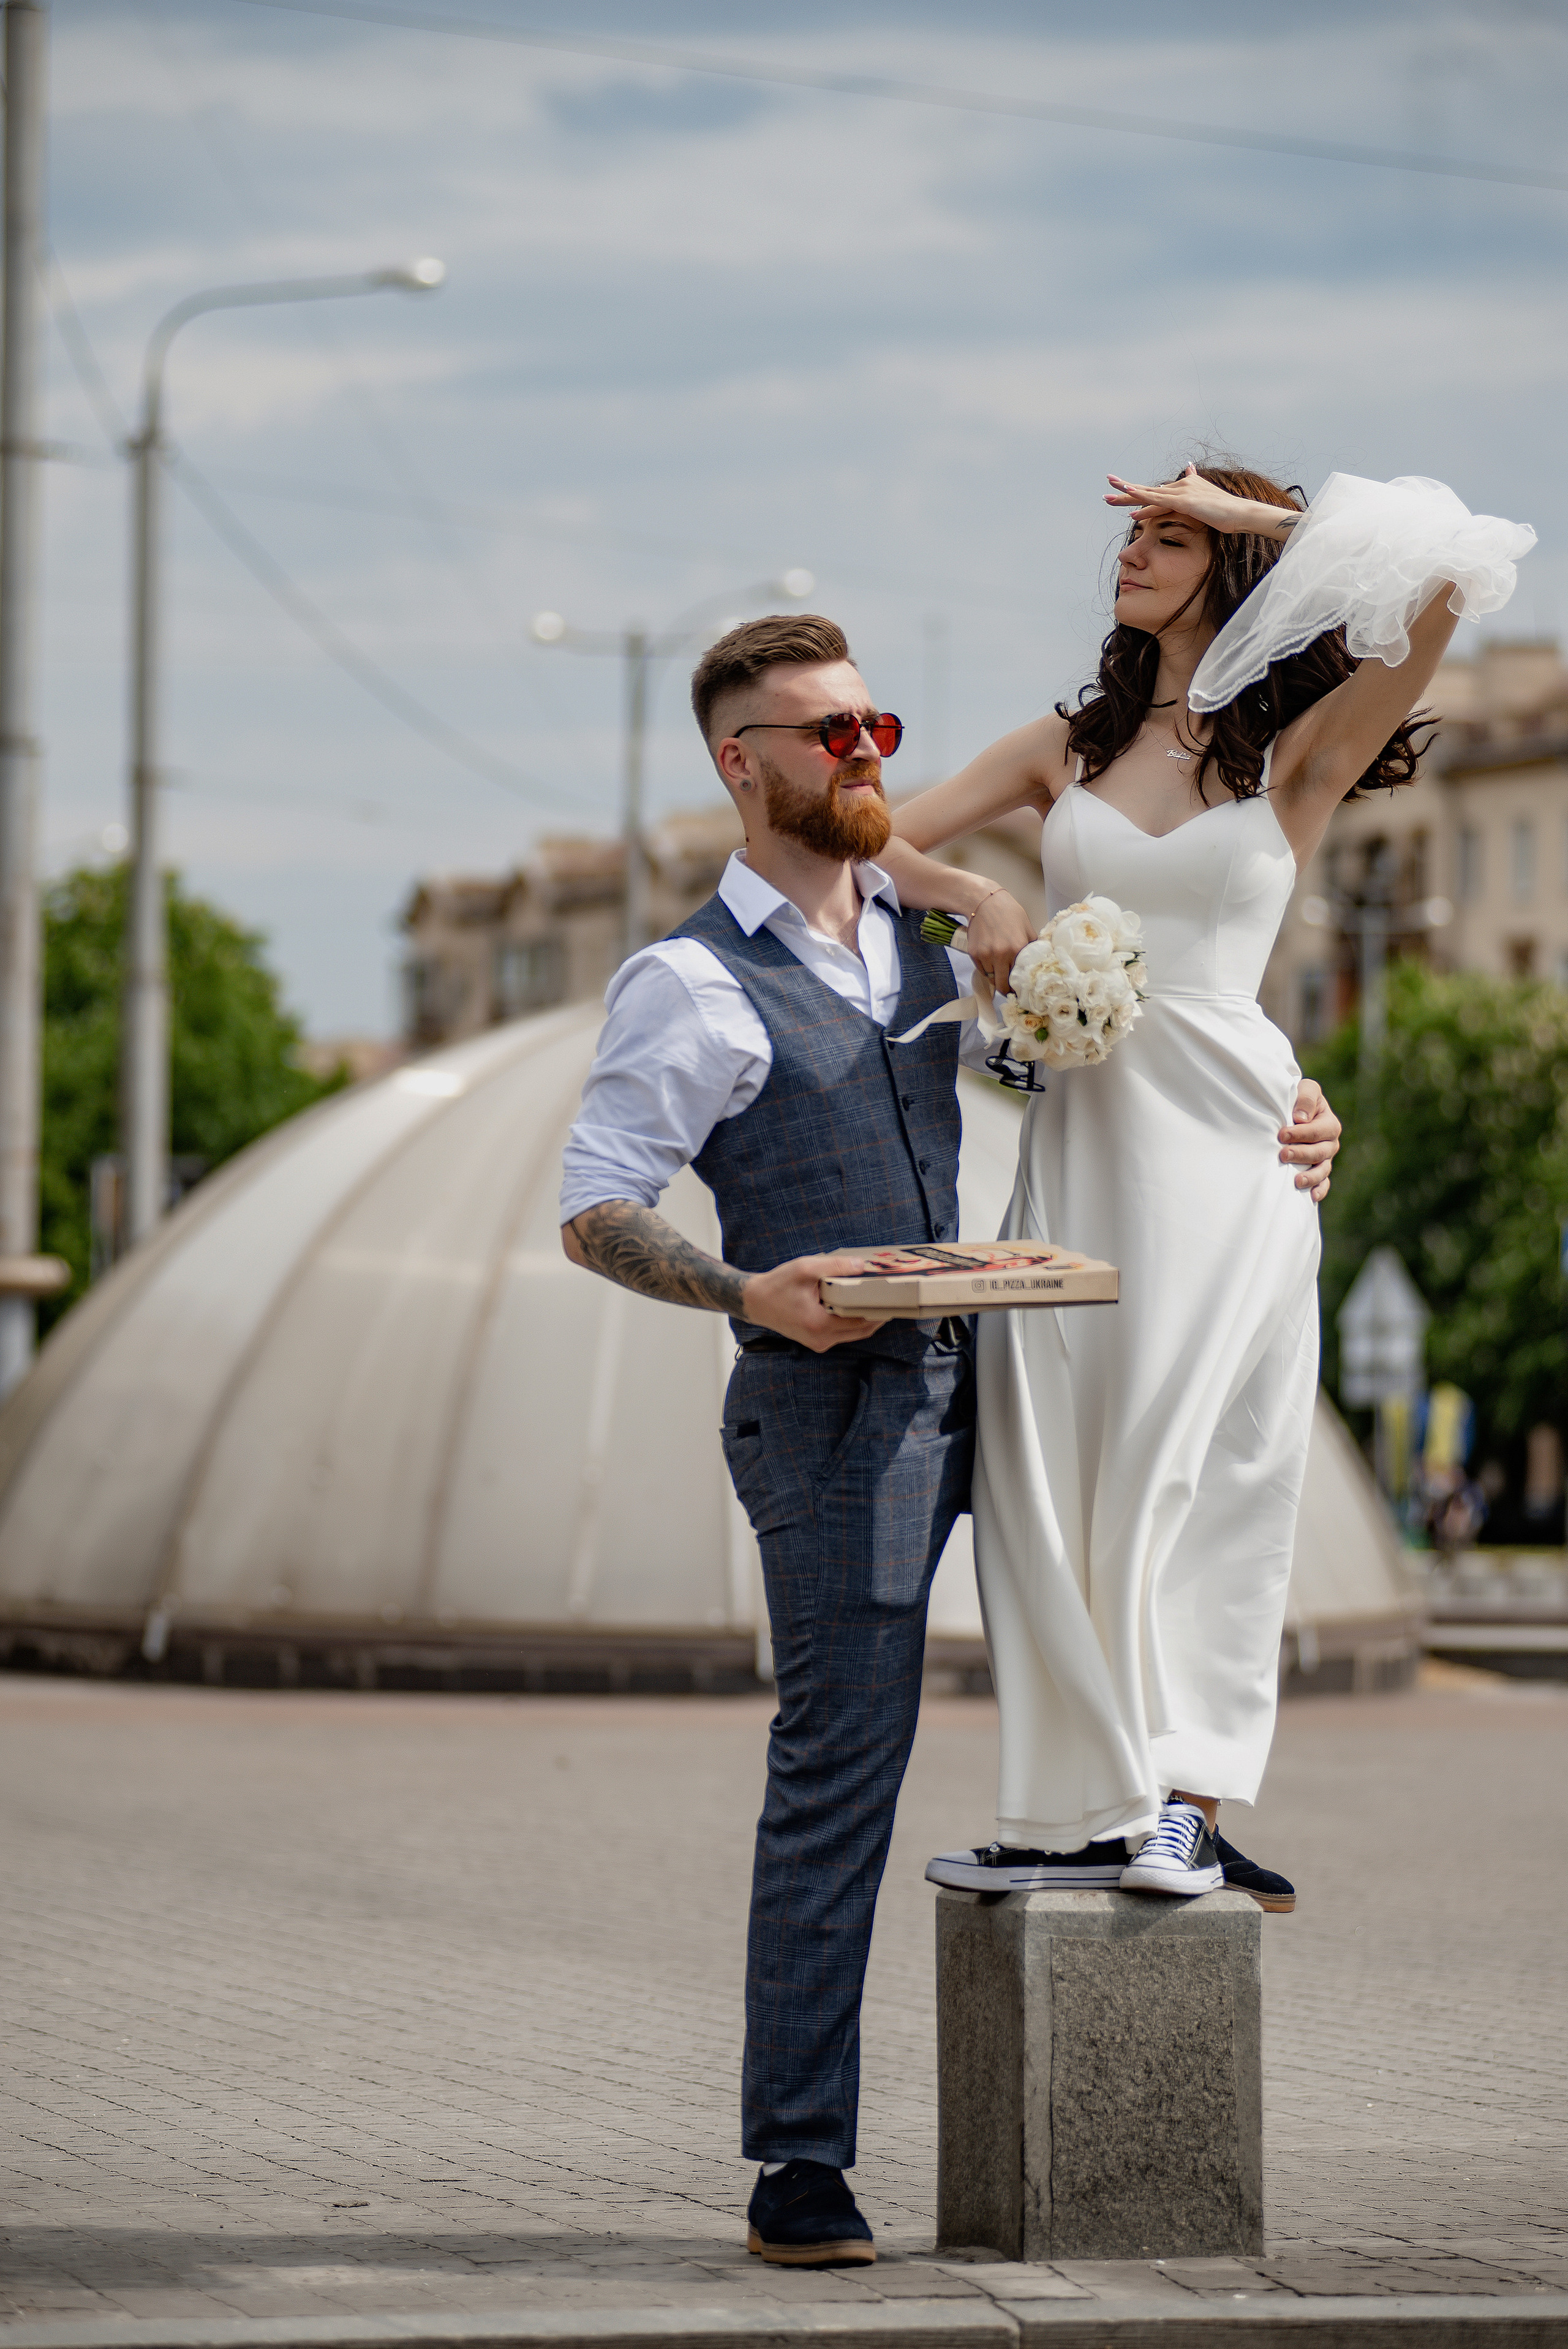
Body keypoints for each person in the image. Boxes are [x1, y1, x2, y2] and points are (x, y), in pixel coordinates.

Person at [557, 611, 1343, 2264]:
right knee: (841, 1774)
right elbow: (595, 1206)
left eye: (874, 725)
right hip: (830, 1414)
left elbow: (1103, 1078)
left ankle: (1157, 1803)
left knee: (1149, 1523)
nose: (862, 756)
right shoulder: (692, 982)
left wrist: (1288, 1094)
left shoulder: (931, 952)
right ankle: (799, 2167)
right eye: (823, 734)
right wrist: (747, 1293)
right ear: (740, 766)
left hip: (988, 1370)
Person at [878, 463, 1533, 1905]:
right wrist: (985, 900)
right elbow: (871, 840)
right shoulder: (1068, 742)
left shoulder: (1293, 750)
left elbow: (1447, 579)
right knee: (1049, 1466)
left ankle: (1185, 1802)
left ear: (1234, 568)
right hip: (1078, 1145)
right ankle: (1065, 1810)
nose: (1131, 551)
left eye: (1168, 535)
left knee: (1214, 1469)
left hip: (1238, 1142)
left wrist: (1256, 521)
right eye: (1130, 529)